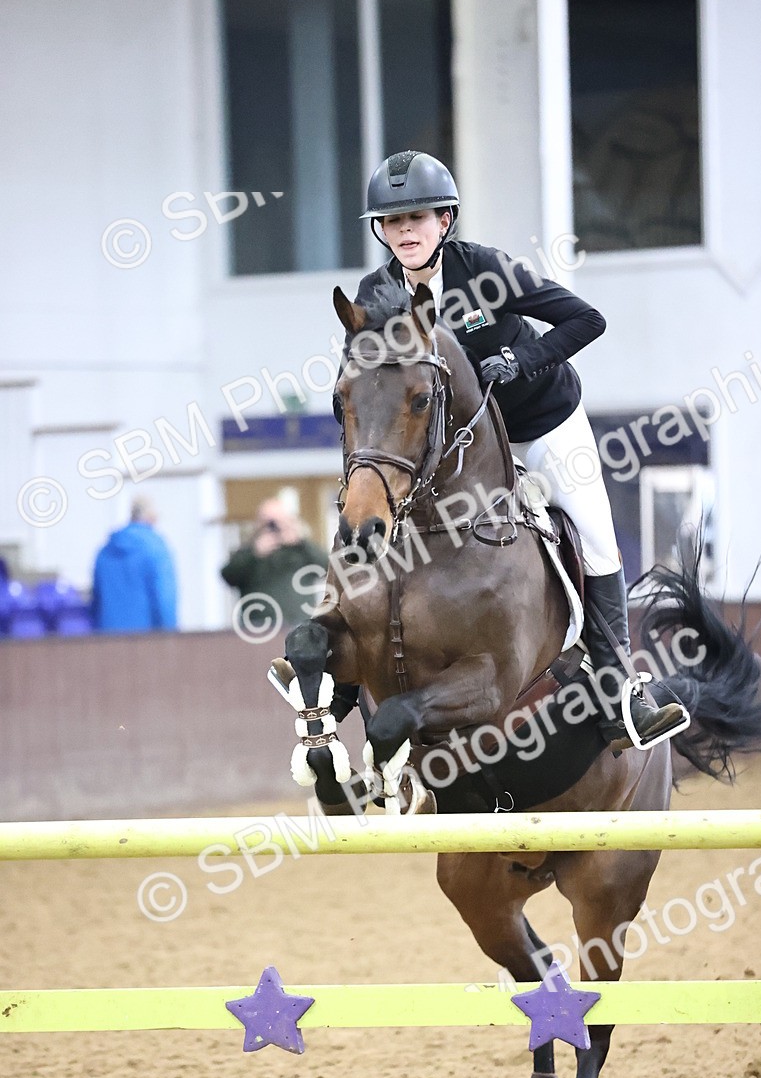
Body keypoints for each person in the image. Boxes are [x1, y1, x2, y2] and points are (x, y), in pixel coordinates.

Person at [334, 149, 687, 750]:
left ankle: (619, 686)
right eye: (394, 223)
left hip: (540, 423)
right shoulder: (377, 292)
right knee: (372, 514)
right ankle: (338, 683)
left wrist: (522, 360)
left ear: (444, 222)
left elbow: (585, 319)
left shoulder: (485, 271)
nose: (406, 232)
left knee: (594, 532)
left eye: (418, 218)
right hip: (453, 448)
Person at [221, 498, 329, 630]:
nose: (274, 527)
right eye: (268, 522)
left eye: (279, 521)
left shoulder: (301, 551)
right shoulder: (249, 551)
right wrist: (255, 553)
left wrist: (300, 541)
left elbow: (327, 567)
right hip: (258, 628)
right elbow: (228, 575)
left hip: (299, 625)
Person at [92, 496, 177, 632]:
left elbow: (96, 599)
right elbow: (164, 597)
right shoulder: (156, 548)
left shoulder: (105, 551)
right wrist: (171, 637)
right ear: (151, 517)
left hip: (108, 637)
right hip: (146, 639)